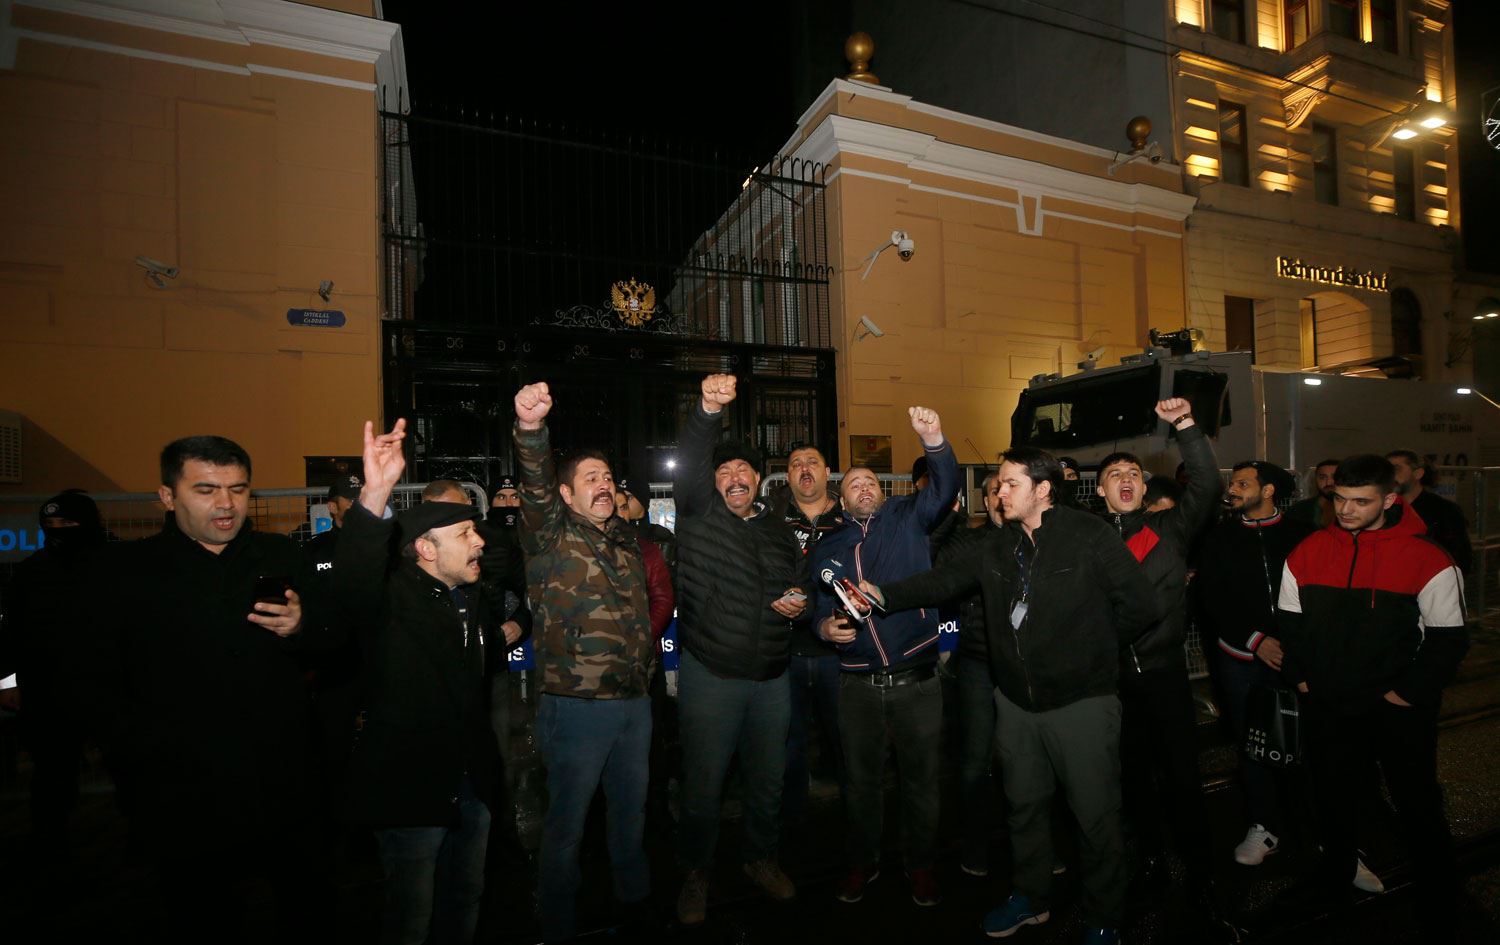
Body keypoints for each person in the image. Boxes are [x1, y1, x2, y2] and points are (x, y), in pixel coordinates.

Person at [863, 447, 1158, 945]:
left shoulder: (1089, 536)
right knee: (1023, 808)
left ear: (1043, 489)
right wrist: (884, 594)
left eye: (1010, 484)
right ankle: (1032, 896)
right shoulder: (998, 546)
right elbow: (943, 581)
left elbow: (1142, 607)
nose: (999, 493)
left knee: (1094, 817)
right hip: (1016, 705)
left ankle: (1104, 916)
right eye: (999, 485)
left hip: (1081, 704)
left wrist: (1089, 655)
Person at [79, 436, 338, 944]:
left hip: (285, 792)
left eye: (238, 490)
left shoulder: (281, 554)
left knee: (308, 913)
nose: (226, 504)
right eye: (206, 489)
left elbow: (340, 640)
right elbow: (96, 682)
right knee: (202, 918)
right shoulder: (124, 574)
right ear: (167, 496)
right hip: (185, 799)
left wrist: (304, 626)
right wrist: (141, 759)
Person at [1277, 454, 1468, 943]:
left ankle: (1440, 900)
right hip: (1329, 704)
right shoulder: (1308, 550)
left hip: (1396, 709)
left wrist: (1405, 695)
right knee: (1334, 799)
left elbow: (1448, 639)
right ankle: (1336, 878)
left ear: (1389, 499)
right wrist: (1302, 678)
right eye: (1339, 498)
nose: (1345, 509)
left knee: (1417, 804)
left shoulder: (1427, 556)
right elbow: (1290, 624)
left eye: (1360, 501)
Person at [334, 421, 500, 945]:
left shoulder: (469, 595)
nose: (480, 543)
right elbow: (353, 583)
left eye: (476, 531)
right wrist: (376, 493)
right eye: (465, 536)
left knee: (464, 898)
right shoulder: (391, 599)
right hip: (410, 792)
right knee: (411, 915)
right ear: (425, 550)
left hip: (470, 786)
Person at [512, 382, 656, 943]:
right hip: (575, 709)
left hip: (634, 706)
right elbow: (534, 484)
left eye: (608, 477)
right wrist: (531, 431)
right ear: (567, 495)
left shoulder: (625, 541)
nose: (603, 485)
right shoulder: (549, 535)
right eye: (589, 478)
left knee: (631, 817)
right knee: (567, 825)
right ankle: (559, 918)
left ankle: (635, 901)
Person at [673, 373, 808, 925]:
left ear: (757, 480)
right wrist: (708, 410)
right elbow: (694, 456)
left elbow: (797, 581)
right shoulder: (698, 516)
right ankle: (695, 872)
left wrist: (799, 597)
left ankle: (759, 858)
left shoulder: (778, 530)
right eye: (723, 471)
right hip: (713, 677)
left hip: (772, 677)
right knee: (704, 786)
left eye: (743, 471)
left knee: (766, 780)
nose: (733, 477)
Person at [810, 405, 957, 908]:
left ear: (884, 490)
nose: (865, 487)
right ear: (842, 498)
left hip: (917, 680)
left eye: (871, 480)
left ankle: (921, 866)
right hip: (856, 687)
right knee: (862, 787)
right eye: (854, 483)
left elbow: (944, 488)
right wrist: (822, 626)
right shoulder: (826, 545)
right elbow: (813, 604)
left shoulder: (908, 517)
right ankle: (862, 864)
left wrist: (933, 439)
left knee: (921, 784)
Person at [1092, 400, 1220, 919]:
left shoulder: (1170, 532)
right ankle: (1149, 864)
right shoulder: (1088, 540)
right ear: (1099, 491)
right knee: (1133, 783)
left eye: (1133, 474)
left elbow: (1208, 485)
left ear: (1144, 489)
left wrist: (1186, 426)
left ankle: (1202, 876)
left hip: (1165, 679)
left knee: (1183, 782)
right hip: (1113, 685)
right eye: (1113, 475)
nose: (1124, 479)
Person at [1194, 463, 1319, 869]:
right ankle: (1263, 825)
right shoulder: (1220, 536)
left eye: (1242, 483)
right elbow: (1211, 597)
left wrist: (1295, 646)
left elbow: (1317, 595)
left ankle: (1315, 829)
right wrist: (1256, 640)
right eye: (1232, 483)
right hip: (1241, 659)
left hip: (1295, 658)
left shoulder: (1302, 535)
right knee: (1254, 744)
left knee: (1306, 741)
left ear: (1267, 490)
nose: (1232, 488)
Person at [0, 491, 108, 876]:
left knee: (135, 768)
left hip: (110, 689)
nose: (60, 532)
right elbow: (9, 634)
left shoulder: (118, 568)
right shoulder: (31, 572)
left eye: (69, 524)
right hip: (49, 692)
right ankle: (48, 843)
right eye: (52, 525)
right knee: (52, 777)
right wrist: (7, 683)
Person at [932, 471, 1002, 878]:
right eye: (993, 491)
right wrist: (946, 514)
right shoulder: (970, 542)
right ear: (984, 501)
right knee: (976, 760)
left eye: (1009, 488)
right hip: (977, 662)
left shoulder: (1040, 540)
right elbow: (930, 553)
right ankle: (976, 842)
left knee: (1030, 757)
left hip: (1028, 666)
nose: (1001, 497)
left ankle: (1038, 842)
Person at [780, 442, 845, 831]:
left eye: (812, 463)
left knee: (844, 741)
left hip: (839, 654)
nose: (804, 470)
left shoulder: (849, 517)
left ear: (827, 473)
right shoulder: (772, 520)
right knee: (790, 745)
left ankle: (852, 824)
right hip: (786, 654)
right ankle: (793, 827)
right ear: (787, 477)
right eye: (796, 465)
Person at [1386, 449, 1472, 574]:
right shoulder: (1382, 509)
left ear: (1418, 474)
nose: (1389, 475)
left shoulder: (1444, 510)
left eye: (1396, 469)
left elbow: (1460, 558)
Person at [1287, 459, 1339, 529]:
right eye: (1322, 477)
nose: (1329, 483)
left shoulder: (1354, 509)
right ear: (1315, 479)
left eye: (1335, 477)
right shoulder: (1298, 510)